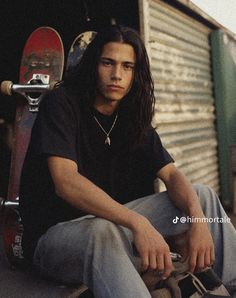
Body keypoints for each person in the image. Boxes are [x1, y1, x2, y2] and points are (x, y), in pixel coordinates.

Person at [19, 25, 236, 298]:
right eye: (108, 63)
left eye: (127, 66)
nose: (117, 75)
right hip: (55, 241)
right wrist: (139, 223)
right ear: (93, 64)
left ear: (136, 73)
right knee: (101, 232)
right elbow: (66, 182)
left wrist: (197, 218)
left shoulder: (132, 117)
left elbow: (170, 174)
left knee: (201, 196)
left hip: (115, 227)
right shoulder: (62, 103)